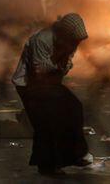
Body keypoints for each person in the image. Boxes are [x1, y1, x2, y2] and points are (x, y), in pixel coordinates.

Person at [12, 13, 92, 175]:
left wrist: (61, 66)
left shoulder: (68, 42)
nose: (76, 45)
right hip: (28, 84)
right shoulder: (42, 40)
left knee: (74, 108)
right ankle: (47, 166)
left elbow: (64, 66)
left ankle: (74, 155)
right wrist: (59, 67)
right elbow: (40, 70)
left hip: (50, 83)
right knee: (45, 121)